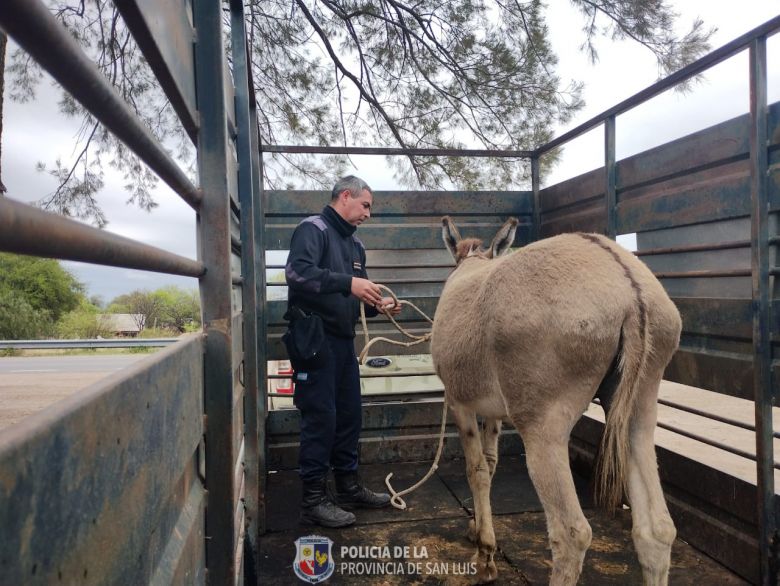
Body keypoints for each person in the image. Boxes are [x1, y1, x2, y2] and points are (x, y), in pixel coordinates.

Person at [284, 175, 402, 527]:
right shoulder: (313, 229)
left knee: (349, 416)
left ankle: (348, 488)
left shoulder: (356, 246)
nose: (368, 213)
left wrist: (377, 306)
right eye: (365, 205)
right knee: (321, 418)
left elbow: (355, 299)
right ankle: (313, 501)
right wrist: (349, 283)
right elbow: (297, 273)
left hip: (343, 343)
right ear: (345, 196)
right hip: (314, 342)